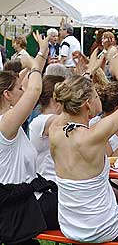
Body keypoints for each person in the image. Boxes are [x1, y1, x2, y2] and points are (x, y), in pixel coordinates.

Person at [50, 47, 118, 242]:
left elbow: (70, 99)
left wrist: (90, 71)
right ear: (87, 104)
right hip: (103, 228)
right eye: (96, 95)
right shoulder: (93, 134)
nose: (99, 97)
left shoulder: (55, 130)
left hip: (70, 226)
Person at [0, 32, 59, 244]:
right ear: (7, 95)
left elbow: (29, 81)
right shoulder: (5, 123)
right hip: (18, 212)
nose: (23, 91)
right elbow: (34, 88)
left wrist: (41, 53)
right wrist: (33, 61)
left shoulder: (7, 120)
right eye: (19, 89)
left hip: (22, 206)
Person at [29, 75, 65, 183]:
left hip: (57, 182)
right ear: (55, 98)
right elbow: (73, 118)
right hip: (48, 185)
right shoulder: (43, 121)